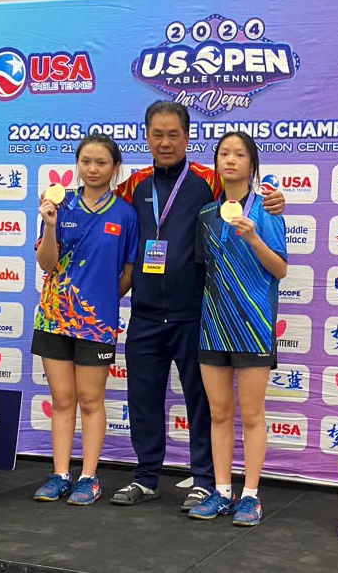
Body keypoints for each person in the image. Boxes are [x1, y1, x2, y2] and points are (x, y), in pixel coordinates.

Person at [110, 102, 286, 510]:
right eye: (158, 134)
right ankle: (146, 476)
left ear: (188, 138)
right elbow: (102, 203)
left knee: (206, 403)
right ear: (148, 137)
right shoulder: (134, 183)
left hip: (197, 314)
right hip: (146, 312)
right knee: (143, 398)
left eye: (174, 135)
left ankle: (207, 480)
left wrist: (278, 203)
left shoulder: (208, 180)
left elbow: (248, 200)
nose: (166, 142)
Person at [32, 134, 139, 506]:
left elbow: (128, 272)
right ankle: (61, 473)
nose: (92, 169)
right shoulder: (61, 206)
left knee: (91, 400)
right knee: (62, 399)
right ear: (77, 164)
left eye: (101, 163)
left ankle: (89, 477)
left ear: (115, 168)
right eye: (86, 161)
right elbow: (46, 264)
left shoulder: (125, 214)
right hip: (53, 318)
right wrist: (48, 225)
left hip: (97, 323)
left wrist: (104, 300)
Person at [187, 132, 287, 527]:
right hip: (213, 325)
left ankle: (251, 496)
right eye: (224, 154)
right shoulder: (206, 215)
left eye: (239, 154)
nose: (230, 160)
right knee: (219, 413)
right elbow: (203, 272)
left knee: (252, 414)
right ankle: (222, 491)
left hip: (254, 325)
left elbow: (279, 268)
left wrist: (253, 236)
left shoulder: (269, 209)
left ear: (252, 164)